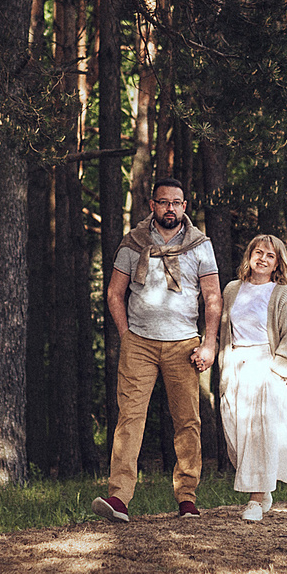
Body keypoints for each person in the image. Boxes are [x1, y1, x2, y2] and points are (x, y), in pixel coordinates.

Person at [95, 179, 222, 521]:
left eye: (176, 202)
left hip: (184, 343)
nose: (170, 208)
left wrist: (209, 343)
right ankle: (119, 499)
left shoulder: (200, 246)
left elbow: (213, 298)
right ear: (152, 205)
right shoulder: (133, 243)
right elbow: (114, 293)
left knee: (187, 421)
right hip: (140, 343)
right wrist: (126, 334)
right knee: (130, 419)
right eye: (163, 202)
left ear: (185, 206)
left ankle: (187, 499)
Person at [216, 234, 287, 521]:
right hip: (236, 366)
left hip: (267, 368)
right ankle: (264, 487)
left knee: (259, 435)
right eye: (258, 252)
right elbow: (224, 332)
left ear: (277, 263)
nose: (262, 259)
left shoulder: (282, 294)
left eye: (270, 256)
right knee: (236, 434)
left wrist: (277, 373)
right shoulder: (232, 289)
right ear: (249, 256)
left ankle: (255, 500)